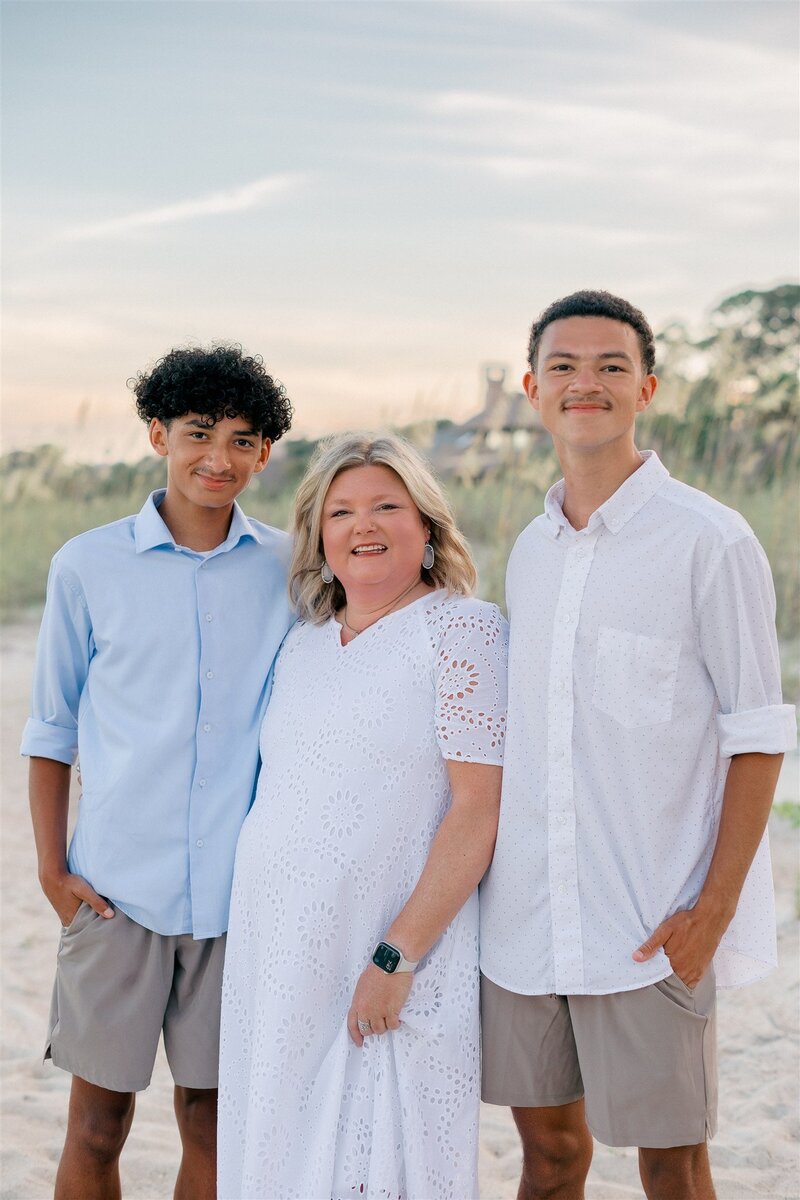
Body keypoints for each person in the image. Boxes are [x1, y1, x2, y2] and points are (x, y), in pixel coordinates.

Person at [479, 290, 796, 1200]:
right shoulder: (530, 551)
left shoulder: (711, 541)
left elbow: (756, 734)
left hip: (647, 924)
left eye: (612, 366)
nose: (588, 383)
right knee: (550, 1160)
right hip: (526, 928)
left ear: (646, 388)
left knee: (671, 1165)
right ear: (533, 389)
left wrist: (714, 910)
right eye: (566, 367)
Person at [21, 344, 295, 1200]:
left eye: (244, 440)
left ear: (264, 454)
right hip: (116, 892)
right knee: (97, 1126)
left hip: (235, 901)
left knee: (213, 1123)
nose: (219, 457)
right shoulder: (87, 565)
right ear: (158, 434)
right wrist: (52, 869)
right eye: (199, 432)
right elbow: (52, 728)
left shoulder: (291, 567)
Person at [218, 433, 508, 1200]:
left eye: (386, 505)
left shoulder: (463, 631)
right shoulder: (304, 644)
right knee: (281, 1147)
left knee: (378, 1155)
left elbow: (478, 811)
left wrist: (396, 958)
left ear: (428, 527)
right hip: (277, 952)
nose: (363, 525)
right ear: (319, 535)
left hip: (385, 954)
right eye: (341, 511)